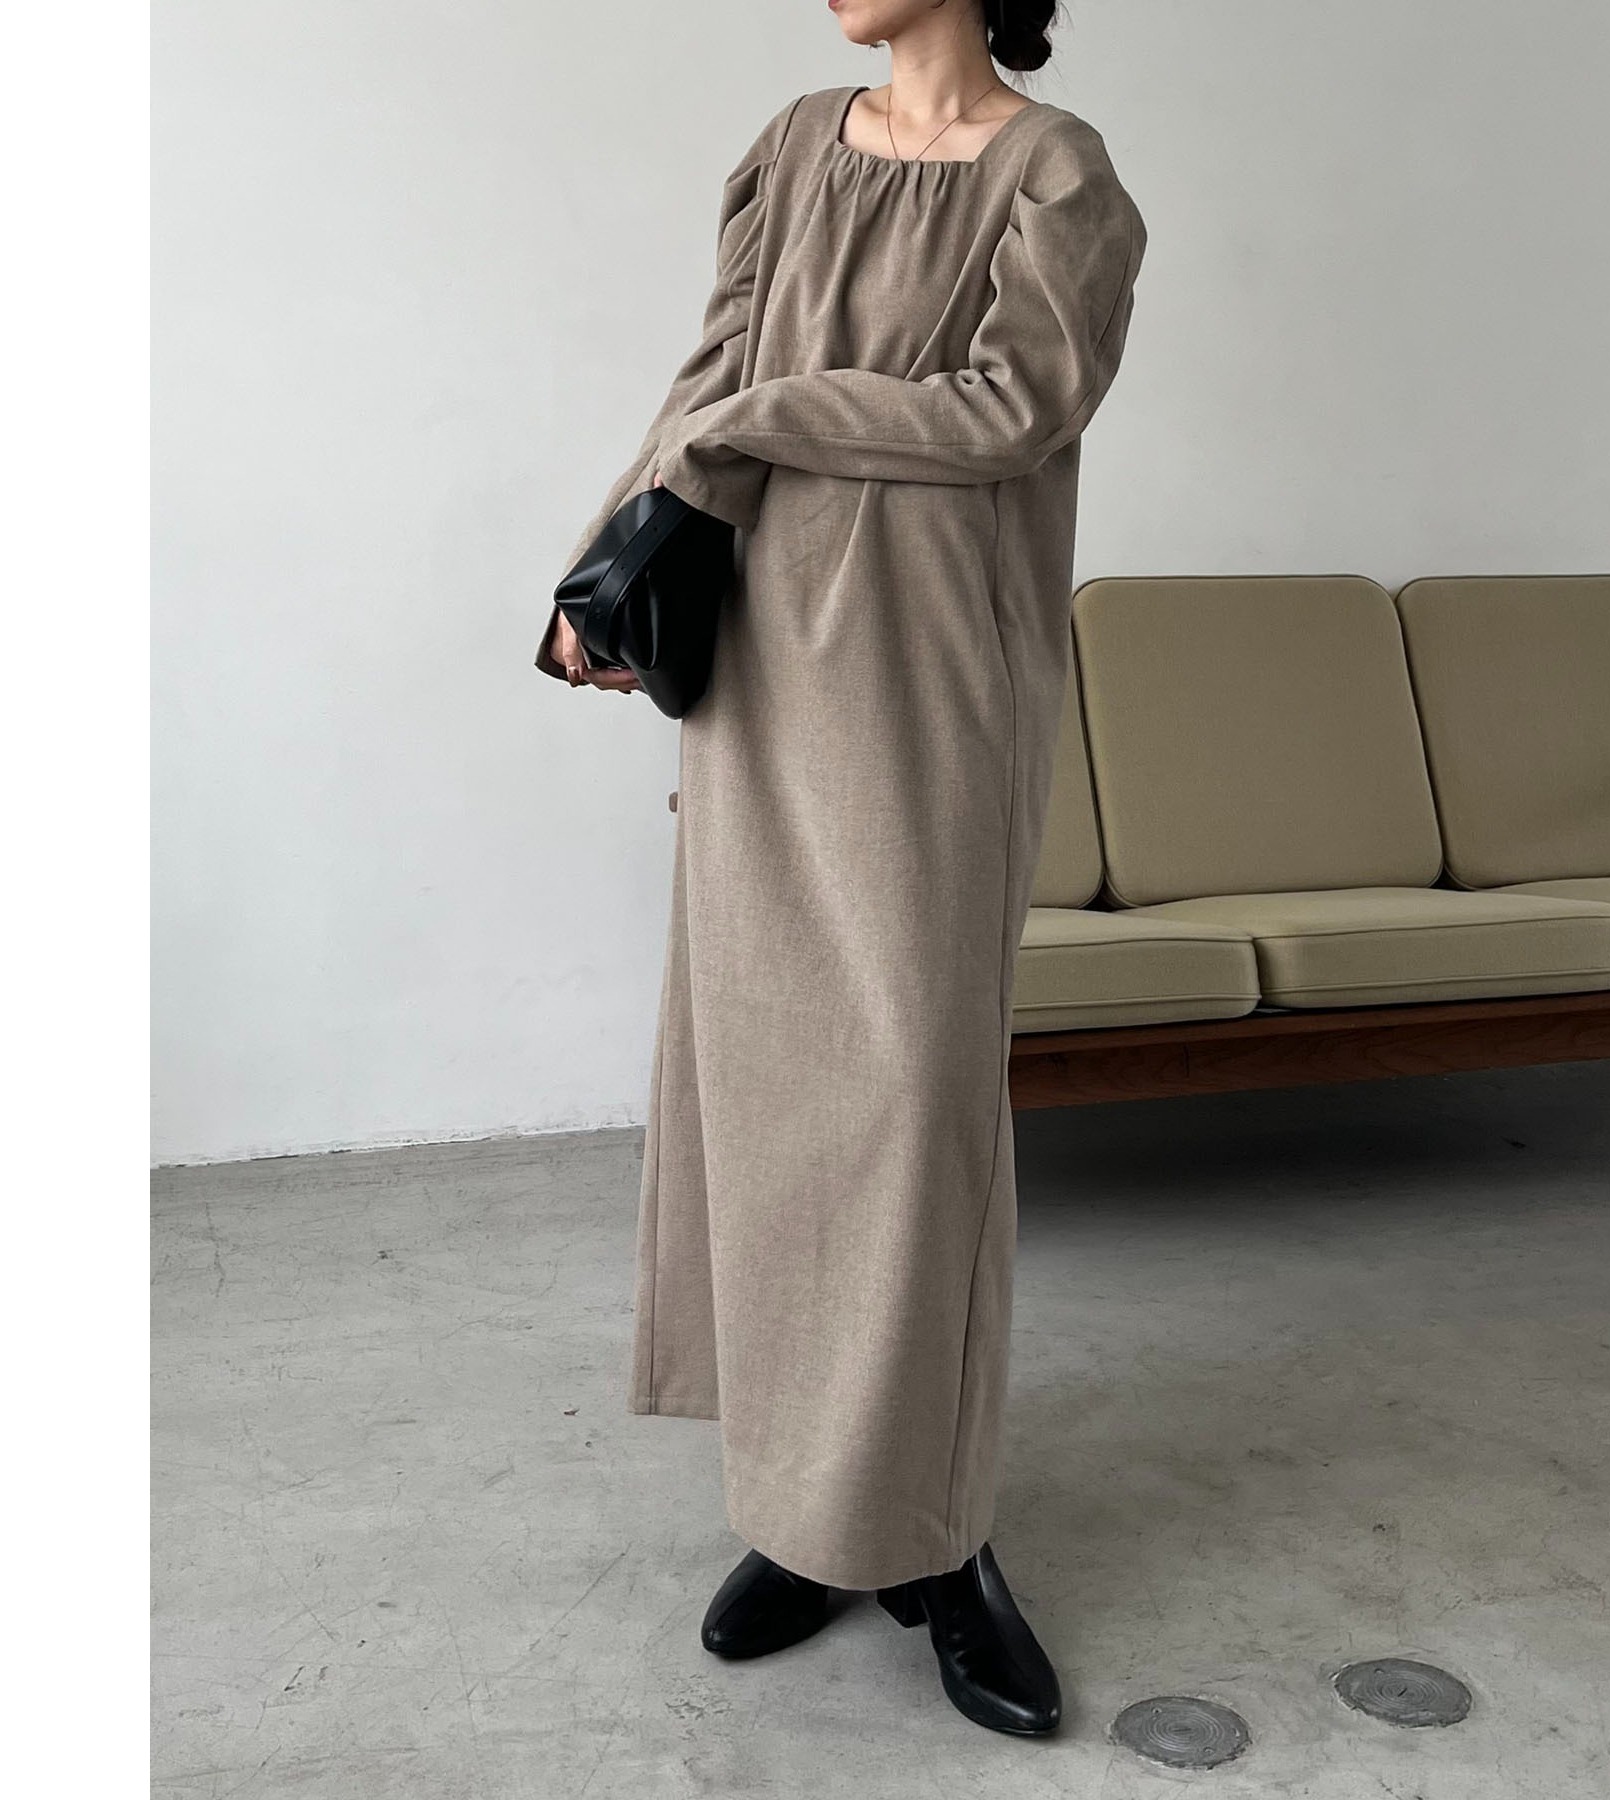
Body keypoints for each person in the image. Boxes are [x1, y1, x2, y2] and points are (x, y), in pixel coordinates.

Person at [533, 0, 1147, 1738]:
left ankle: (938, 1542)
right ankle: (807, 1517)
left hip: (937, 671)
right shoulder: (797, 143)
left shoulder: (1060, 176)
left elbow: (1011, 412)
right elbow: (707, 378)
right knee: (774, 1093)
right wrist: (603, 555)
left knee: (914, 1107)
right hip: (766, 671)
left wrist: (762, 421)